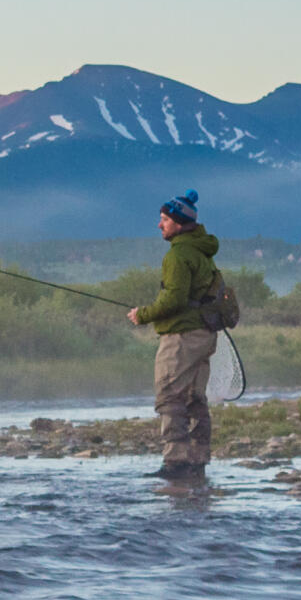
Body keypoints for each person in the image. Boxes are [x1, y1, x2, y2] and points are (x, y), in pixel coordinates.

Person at [126, 190, 222, 484]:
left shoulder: (178, 255)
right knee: (194, 398)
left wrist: (142, 314)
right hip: (204, 333)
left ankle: (176, 463)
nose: (160, 225)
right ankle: (197, 463)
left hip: (181, 336)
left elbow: (175, 300)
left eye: (165, 220)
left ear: (179, 223)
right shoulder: (201, 252)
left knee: (170, 397)